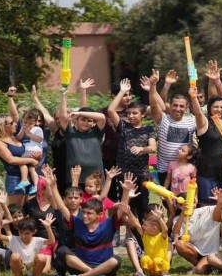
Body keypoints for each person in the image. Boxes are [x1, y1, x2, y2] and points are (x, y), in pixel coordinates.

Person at [108, 78, 156, 221]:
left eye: (135, 113)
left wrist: (142, 149)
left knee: (142, 207)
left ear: (142, 114)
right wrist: (122, 91)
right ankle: (127, 235)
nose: (131, 116)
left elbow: (153, 148)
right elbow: (111, 110)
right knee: (125, 207)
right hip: (124, 175)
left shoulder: (148, 129)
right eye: (129, 114)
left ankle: (143, 232)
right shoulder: (123, 126)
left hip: (141, 174)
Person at [148, 70, 197, 185]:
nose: (178, 108)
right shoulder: (163, 119)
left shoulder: (192, 120)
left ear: (186, 107)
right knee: (167, 202)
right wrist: (153, 85)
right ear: (169, 105)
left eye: (181, 106)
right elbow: (154, 105)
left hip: (184, 170)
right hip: (164, 169)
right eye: (175, 105)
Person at [57, 89, 106, 191]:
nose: (85, 123)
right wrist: (63, 96)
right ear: (76, 120)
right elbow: (62, 118)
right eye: (82, 119)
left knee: (95, 205)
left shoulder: (96, 132)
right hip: (75, 178)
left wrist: (80, 113)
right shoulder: (70, 132)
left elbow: (102, 117)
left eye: (89, 121)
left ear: (93, 123)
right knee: (74, 204)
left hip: (95, 178)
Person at [0, 209, 55, 276]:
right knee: (15, 256)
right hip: (20, 267)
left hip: (33, 267)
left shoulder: (37, 240)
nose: (23, 236)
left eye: (27, 233)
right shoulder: (14, 239)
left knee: (42, 257)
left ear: (34, 232)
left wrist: (48, 227)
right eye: (21, 233)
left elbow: (52, 241)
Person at [0, 114, 40, 207]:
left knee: (30, 208)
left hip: (29, 176)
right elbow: (11, 160)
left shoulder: (15, 137)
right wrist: (30, 160)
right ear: (3, 126)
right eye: (11, 123)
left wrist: (36, 156)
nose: (15, 124)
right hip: (15, 179)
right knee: (16, 210)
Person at [173, 190, 221, 275]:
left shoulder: (207, 210)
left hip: (210, 253)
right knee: (179, 244)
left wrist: (220, 201)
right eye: (190, 203)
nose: (193, 205)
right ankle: (199, 264)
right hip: (195, 252)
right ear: (179, 206)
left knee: (200, 271)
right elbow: (176, 233)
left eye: (194, 202)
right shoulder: (177, 219)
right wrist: (183, 214)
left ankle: (206, 266)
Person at [123, 202, 172, 276]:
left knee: (158, 260)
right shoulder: (145, 235)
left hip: (161, 267)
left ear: (154, 228)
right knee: (144, 258)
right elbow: (136, 224)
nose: (143, 226)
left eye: (145, 225)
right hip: (151, 268)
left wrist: (159, 218)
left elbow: (166, 230)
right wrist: (129, 212)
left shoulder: (162, 236)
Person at [14, 109, 44, 195]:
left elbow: (39, 139)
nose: (27, 125)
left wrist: (29, 134)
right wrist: (23, 131)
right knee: (31, 168)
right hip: (29, 151)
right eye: (24, 122)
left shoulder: (37, 129)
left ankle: (24, 179)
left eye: (30, 123)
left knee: (21, 162)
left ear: (35, 123)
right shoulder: (23, 128)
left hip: (34, 150)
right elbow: (18, 138)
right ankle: (35, 185)